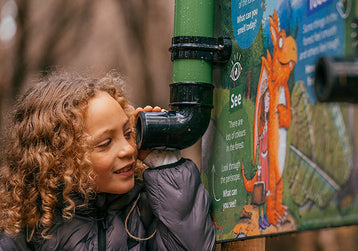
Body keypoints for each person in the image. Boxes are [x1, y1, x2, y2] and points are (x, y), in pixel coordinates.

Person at [0, 71, 215, 250]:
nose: (127, 150)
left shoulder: (144, 208)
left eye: (129, 133)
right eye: (105, 143)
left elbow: (192, 244)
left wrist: (163, 162)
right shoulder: (24, 231)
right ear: (61, 160)